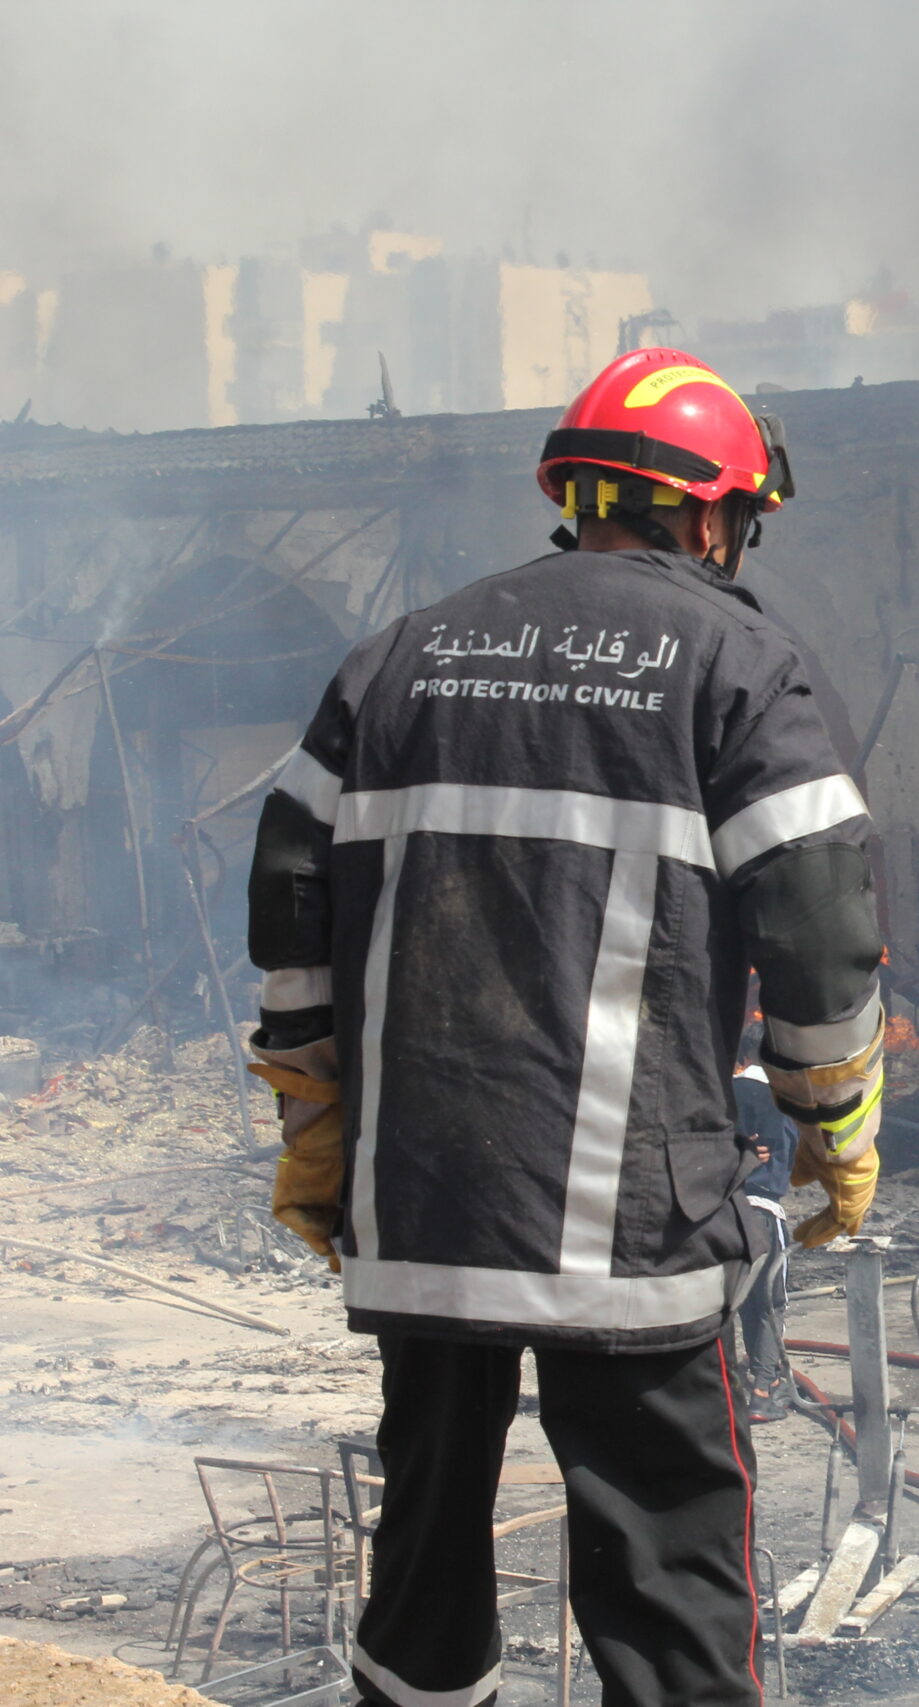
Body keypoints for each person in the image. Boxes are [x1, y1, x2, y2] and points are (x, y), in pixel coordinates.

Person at [244, 348, 886, 1707]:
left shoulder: (399, 653)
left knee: (421, 1566)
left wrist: (318, 1125)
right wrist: (837, 1124)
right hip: (629, 1226)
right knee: (671, 1583)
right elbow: (820, 920)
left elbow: (291, 889)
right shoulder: (738, 660)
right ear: (712, 514)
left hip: (422, 1205)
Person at [732, 1037, 803, 1425]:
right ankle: (762, 1391)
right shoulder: (779, 1102)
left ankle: (719, 1393)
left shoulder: (721, 1094)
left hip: (716, 1212)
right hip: (760, 1213)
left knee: (727, 1305)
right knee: (768, 1304)